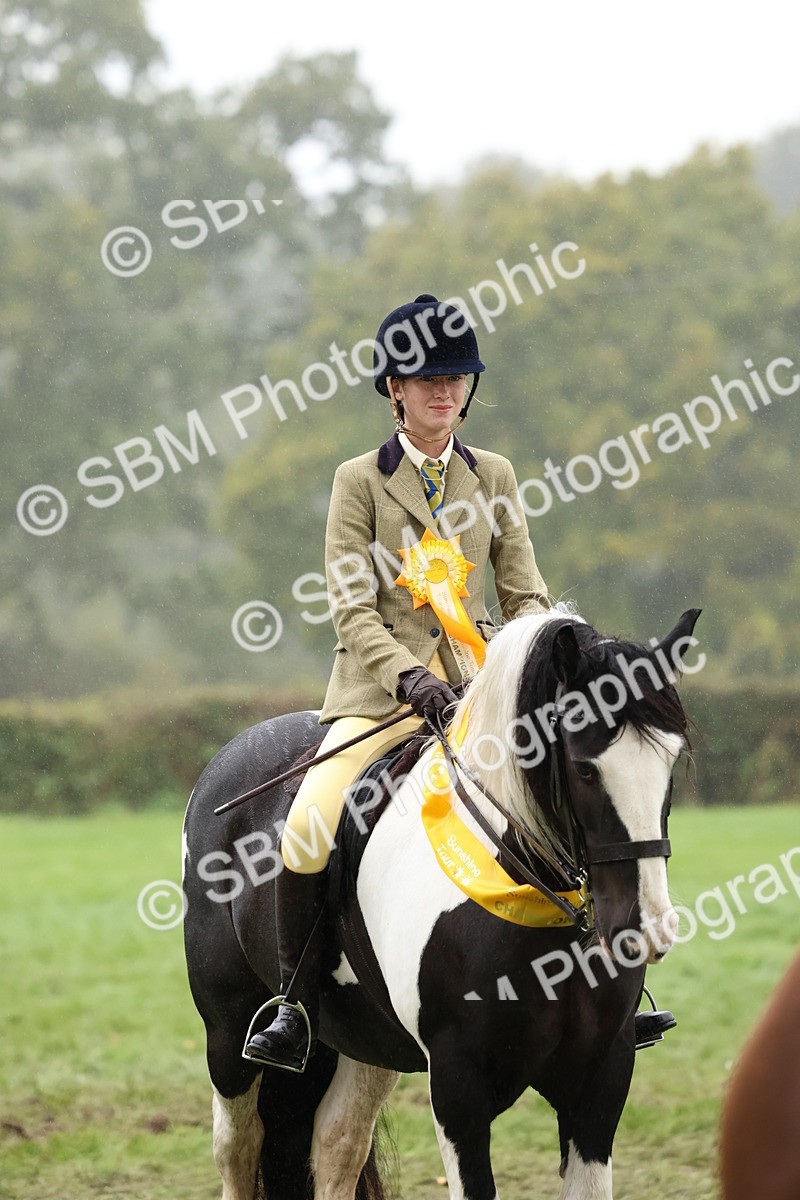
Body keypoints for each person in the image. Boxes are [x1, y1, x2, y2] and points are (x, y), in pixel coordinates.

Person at [242, 294, 671, 1072]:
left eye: (457, 379)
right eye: (426, 379)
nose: (444, 392)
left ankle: (614, 986)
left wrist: (527, 667)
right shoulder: (358, 482)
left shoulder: (495, 475)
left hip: (481, 700)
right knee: (308, 826)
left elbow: (526, 594)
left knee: (575, 801)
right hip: (382, 700)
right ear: (394, 389)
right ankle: (295, 1003)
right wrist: (408, 678)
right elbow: (350, 606)